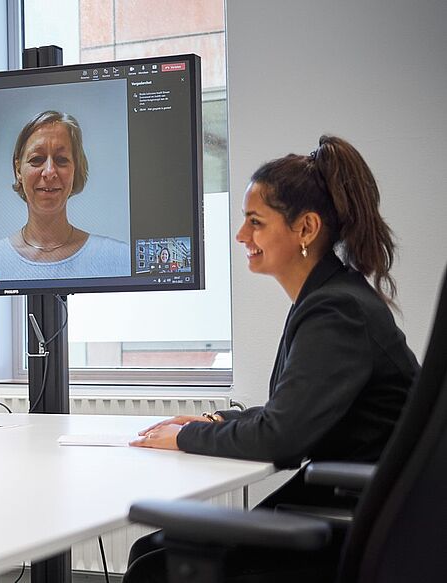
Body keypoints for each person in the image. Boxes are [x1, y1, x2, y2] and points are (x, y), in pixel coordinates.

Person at [123, 135, 419, 582]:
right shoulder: (331, 298)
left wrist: (184, 440)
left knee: (155, 562)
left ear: (306, 229)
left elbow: (282, 438)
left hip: (360, 523)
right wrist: (217, 423)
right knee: (153, 550)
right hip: (363, 507)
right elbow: (295, 412)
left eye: (256, 222)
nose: (242, 235)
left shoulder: (335, 310)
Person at [0, 110, 130, 280]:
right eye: (36, 159)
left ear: (75, 169)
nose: (49, 172)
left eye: (61, 159)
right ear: (18, 170)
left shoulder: (120, 258)